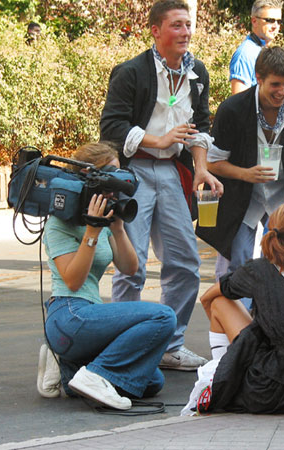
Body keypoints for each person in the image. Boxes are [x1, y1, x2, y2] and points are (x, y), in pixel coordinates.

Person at [99, 0, 222, 371]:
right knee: (130, 265)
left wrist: (201, 169)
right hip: (135, 170)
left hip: (172, 173)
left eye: (188, 25)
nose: (186, 32)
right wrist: (160, 139)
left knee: (185, 263)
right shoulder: (132, 72)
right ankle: (123, 346)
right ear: (156, 30)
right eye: (177, 26)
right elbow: (112, 128)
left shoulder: (197, 72)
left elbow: (199, 129)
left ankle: (169, 345)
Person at [37, 143, 177, 410]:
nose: (119, 182)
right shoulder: (59, 223)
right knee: (163, 316)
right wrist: (92, 230)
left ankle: (69, 371)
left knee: (151, 380)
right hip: (68, 313)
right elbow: (73, 281)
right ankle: (92, 375)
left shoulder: (105, 219)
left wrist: (118, 229)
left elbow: (129, 268)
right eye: (112, 174)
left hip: (90, 314)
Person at [185, 203, 284, 414]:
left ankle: (223, 366)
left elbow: (208, 297)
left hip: (272, 387)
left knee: (219, 301)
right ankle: (227, 363)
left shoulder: (259, 270)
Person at [198, 47, 284, 297]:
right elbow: (212, 163)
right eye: (275, 84)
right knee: (236, 264)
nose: (282, 92)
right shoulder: (233, 109)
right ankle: (233, 327)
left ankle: (277, 321)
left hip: (283, 196)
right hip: (241, 196)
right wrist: (245, 174)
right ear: (258, 78)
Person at [229, 0, 282, 95]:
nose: (275, 26)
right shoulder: (245, 54)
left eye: (279, 21)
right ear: (254, 21)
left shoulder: (264, 49)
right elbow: (239, 102)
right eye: (270, 20)